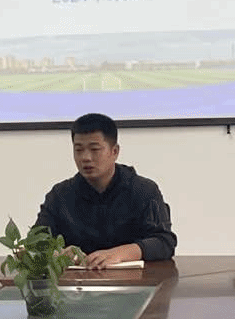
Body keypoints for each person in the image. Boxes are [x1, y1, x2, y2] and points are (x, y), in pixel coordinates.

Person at [34, 113, 176, 268]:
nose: (86, 158)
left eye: (94, 149)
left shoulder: (143, 190)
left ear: (114, 151)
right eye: (79, 150)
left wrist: (120, 253)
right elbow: (35, 242)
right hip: (76, 280)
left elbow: (164, 242)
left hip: (133, 279)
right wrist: (58, 253)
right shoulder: (60, 195)